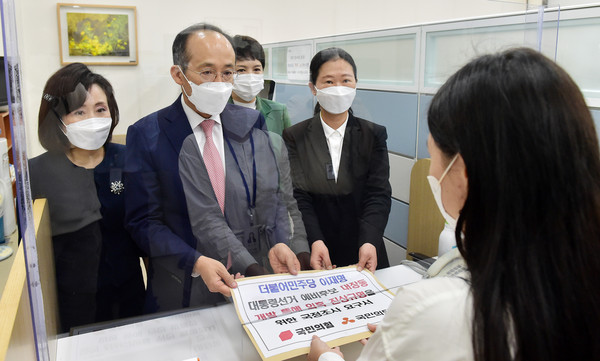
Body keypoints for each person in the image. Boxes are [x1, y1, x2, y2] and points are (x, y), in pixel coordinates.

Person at [308, 47, 600, 361]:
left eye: (433, 155)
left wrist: (327, 357)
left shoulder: (434, 309)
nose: (432, 171)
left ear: (463, 172)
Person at [124, 23, 301, 313]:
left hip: (251, 278)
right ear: (178, 74)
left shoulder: (251, 122)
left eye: (229, 72)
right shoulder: (147, 134)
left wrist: (277, 242)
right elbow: (143, 223)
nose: (220, 82)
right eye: (207, 72)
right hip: (184, 287)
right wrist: (195, 261)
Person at [30, 63, 144, 332]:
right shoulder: (37, 173)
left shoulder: (129, 160)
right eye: (79, 111)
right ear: (57, 117)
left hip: (130, 296)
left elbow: (147, 233)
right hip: (73, 306)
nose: (92, 119)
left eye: (100, 109)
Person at [283, 47, 391, 272]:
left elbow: (378, 193)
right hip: (319, 250)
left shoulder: (374, 134)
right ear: (313, 88)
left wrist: (370, 239)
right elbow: (299, 196)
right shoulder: (295, 136)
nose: (338, 89)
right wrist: (315, 240)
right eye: (329, 82)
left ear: (356, 84)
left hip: (365, 248)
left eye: (346, 80)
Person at [230, 35, 291, 136]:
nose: (250, 76)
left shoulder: (279, 111)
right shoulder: (217, 112)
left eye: (256, 69)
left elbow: (289, 149)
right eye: (241, 70)